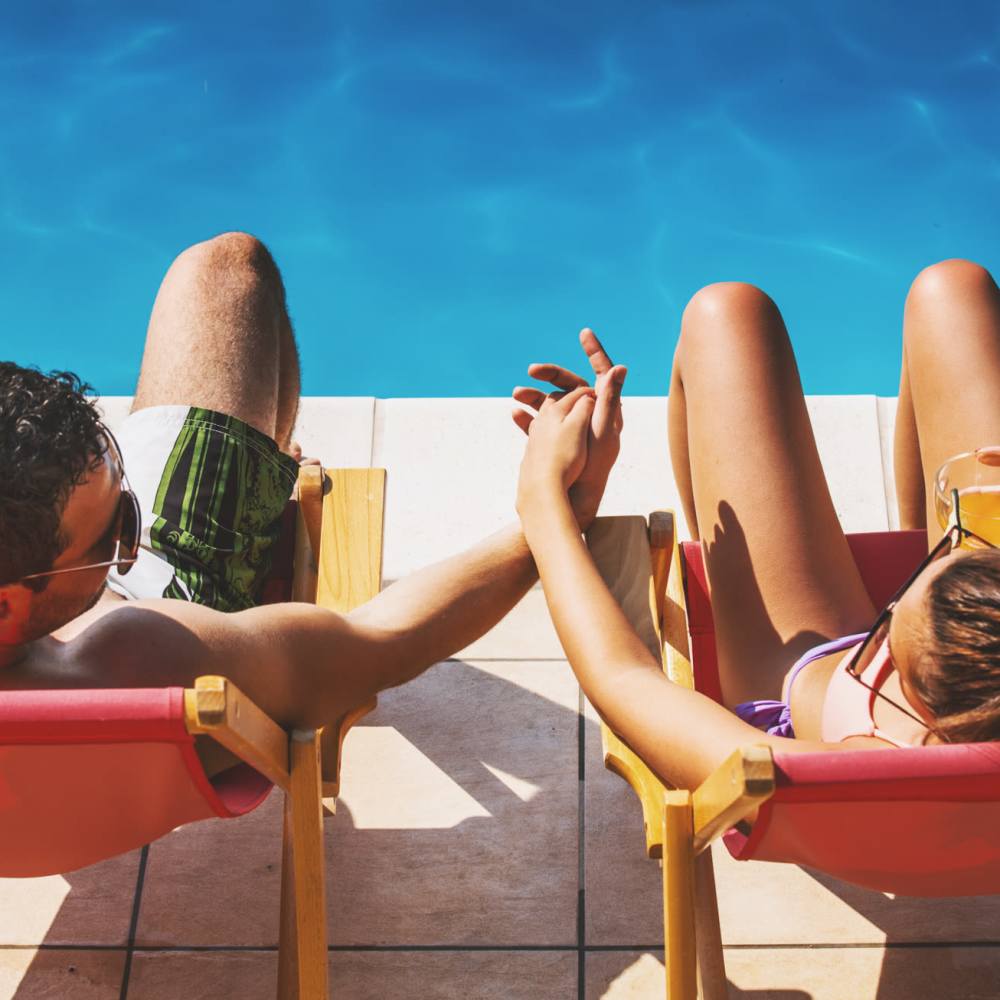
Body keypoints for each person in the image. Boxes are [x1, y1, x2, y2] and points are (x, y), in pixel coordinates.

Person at [0, 231, 624, 779]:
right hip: (167, 599)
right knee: (226, 268)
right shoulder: (147, 660)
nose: (127, 539)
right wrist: (553, 506)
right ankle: (263, 464)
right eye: (119, 533)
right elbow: (382, 639)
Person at [514, 259, 1000, 793]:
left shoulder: (786, 764)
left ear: (884, 672)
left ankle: (723, 581)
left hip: (814, 695)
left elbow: (621, 676)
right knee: (954, 286)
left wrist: (546, 497)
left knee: (724, 312)